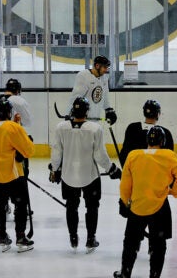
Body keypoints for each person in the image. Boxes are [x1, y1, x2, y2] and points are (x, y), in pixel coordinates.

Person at [114, 126, 177, 278]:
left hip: (137, 205)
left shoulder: (133, 155)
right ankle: (154, 275)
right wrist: (173, 191)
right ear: (163, 141)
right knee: (158, 244)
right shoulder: (168, 155)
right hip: (160, 207)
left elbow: (125, 183)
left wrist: (125, 201)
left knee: (130, 242)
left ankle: (125, 272)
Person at [50, 97, 122, 253]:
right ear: (87, 111)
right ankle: (90, 238)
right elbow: (100, 155)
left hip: (68, 175)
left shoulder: (61, 127)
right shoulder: (94, 129)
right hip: (90, 176)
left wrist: (54, 170)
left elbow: (56, 152)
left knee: (71, 207)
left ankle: (73, 237)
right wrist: (111, 169)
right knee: (92, 207)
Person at [0, 97, 36, 253]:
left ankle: (2, 237)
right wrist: (18, 127)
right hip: (13, 173)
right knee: (20, 205)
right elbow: (28, 151)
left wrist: (16, 124)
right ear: (9, 111)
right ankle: (20, 237)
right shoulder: (13, 128)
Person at [118, 99, 174, 167]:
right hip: (157, 173)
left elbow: (124, 153)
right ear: (158, 114)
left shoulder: (132, 128)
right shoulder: (165, 132)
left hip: (135, 173)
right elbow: (170, 157)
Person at [70, 55, 117, 126]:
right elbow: (76, 97)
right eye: (104, 67)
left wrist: (108, 110)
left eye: (107, 68)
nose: (106, 70)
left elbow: (105, 96)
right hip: (81, 120)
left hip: (95, 119)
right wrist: (72, 113)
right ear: (97, 66)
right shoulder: (83, 75)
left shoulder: (104, 78)